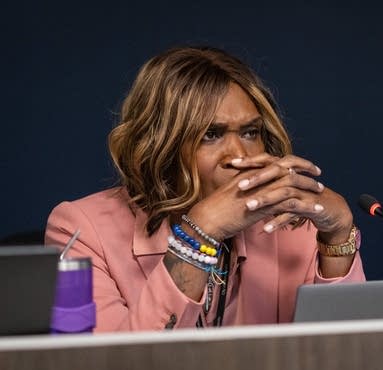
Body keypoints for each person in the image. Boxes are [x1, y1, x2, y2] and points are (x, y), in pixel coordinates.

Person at [45, 46, 366, 332]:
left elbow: (344, 363)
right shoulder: (80, 230)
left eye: (251, 132)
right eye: (211, 135)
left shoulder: (291, 221)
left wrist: (338, 239)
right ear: (159, 144)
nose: (240, 155)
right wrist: (200, 233)